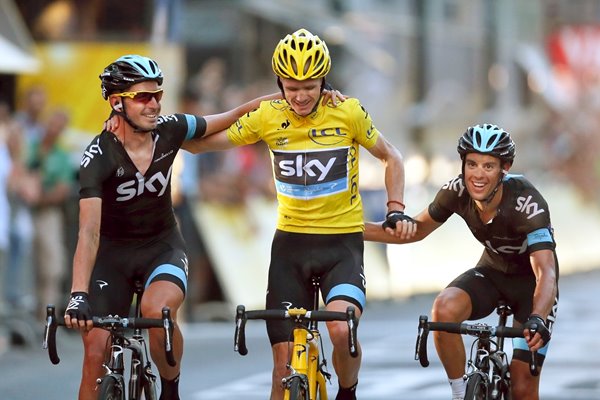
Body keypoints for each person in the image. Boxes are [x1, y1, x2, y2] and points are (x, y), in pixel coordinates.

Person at [186, 28, 414, 400]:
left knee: (341, 331)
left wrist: (395, 210)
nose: (301, 95)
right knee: (282, 370)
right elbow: (199, 146)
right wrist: (160, 131)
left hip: (341, 246)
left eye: (310, 86)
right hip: (290, 248)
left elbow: (392, 157)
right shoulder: (268, 116)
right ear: (279, 84)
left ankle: (348, 390)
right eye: (291, 87)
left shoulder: (348, 111)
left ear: (324, 81)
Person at [62, 54, 293, 400]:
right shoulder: (98, 156)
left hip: (162, 248)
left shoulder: (170, 130)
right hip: (112, 256)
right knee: (95, 353)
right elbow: (88, 233)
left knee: (158, 312)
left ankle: (171, 389)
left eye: (158, 95)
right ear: (116, 103)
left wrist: (291, 96)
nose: (154, 104)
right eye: (143, 97)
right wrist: (78, 295)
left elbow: (230, 117)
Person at [365, 124, 559, 400]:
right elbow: (415, 230)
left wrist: (538, 316)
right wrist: (350, 230)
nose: (478, 175)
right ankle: (459, 393)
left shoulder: (527, 203)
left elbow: (546, 272)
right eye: (472, 164)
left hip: (532, 286)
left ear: (505, 168)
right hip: (491, 272)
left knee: (523, 388)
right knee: (444, 309)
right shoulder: (455, 191)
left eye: (489, 166)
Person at [27, 109, 74, 317]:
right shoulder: (31, 147)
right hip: (24, 211)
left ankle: (47, 313)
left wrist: (39, 198)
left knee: (52, 265)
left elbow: (62, 190)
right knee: (30, 264)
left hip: (47, 214)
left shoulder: (61, 156)